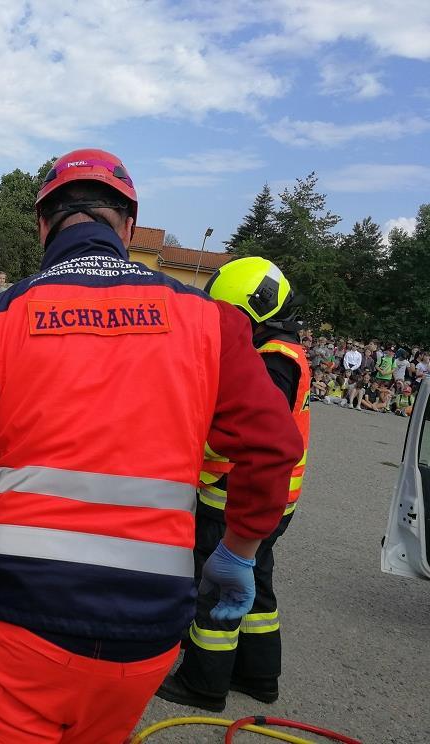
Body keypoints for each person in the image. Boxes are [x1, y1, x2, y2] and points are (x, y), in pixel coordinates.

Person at [0, 148, 302, 743]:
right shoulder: (206, 320)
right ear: (126, 226)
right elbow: (275, 442)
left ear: (43, 226)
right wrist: (239, 551)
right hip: (148, 632)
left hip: (21, 617)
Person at [157, 256, 312, 712]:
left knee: (215, 584)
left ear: (256, 310)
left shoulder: (270, 362)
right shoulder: (286, 351)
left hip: (235, 496)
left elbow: (251, 434)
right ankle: (259, 675)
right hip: (272, 497)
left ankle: (204, 682)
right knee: (257, 586)